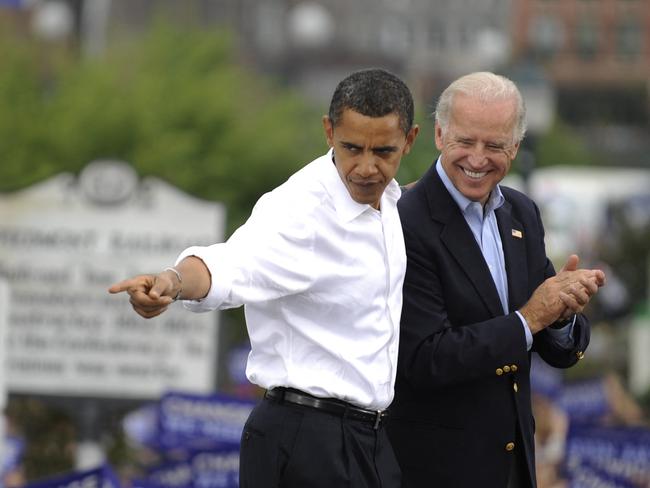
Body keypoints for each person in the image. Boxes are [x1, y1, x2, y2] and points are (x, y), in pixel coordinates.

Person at [109, 68, 420, 488]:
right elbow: (230, 264)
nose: (366, 167)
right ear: (328, 132)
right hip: (306, 439)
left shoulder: (392, 201)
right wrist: (172, 281)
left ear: (410, 141)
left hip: (369, 438)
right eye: (352, 148)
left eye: (383, 152)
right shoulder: (299, 212)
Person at [385, 72, 606, 488]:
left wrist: (561, 313)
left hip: (513, 467)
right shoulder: (404, 221)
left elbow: (549, 341)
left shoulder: (522, 213)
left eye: (495, 145)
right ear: (438, 134)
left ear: (516, 147)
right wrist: (529, 319)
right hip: (435, 470)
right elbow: (425, 358)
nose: (478, 158)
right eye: (465, 142)